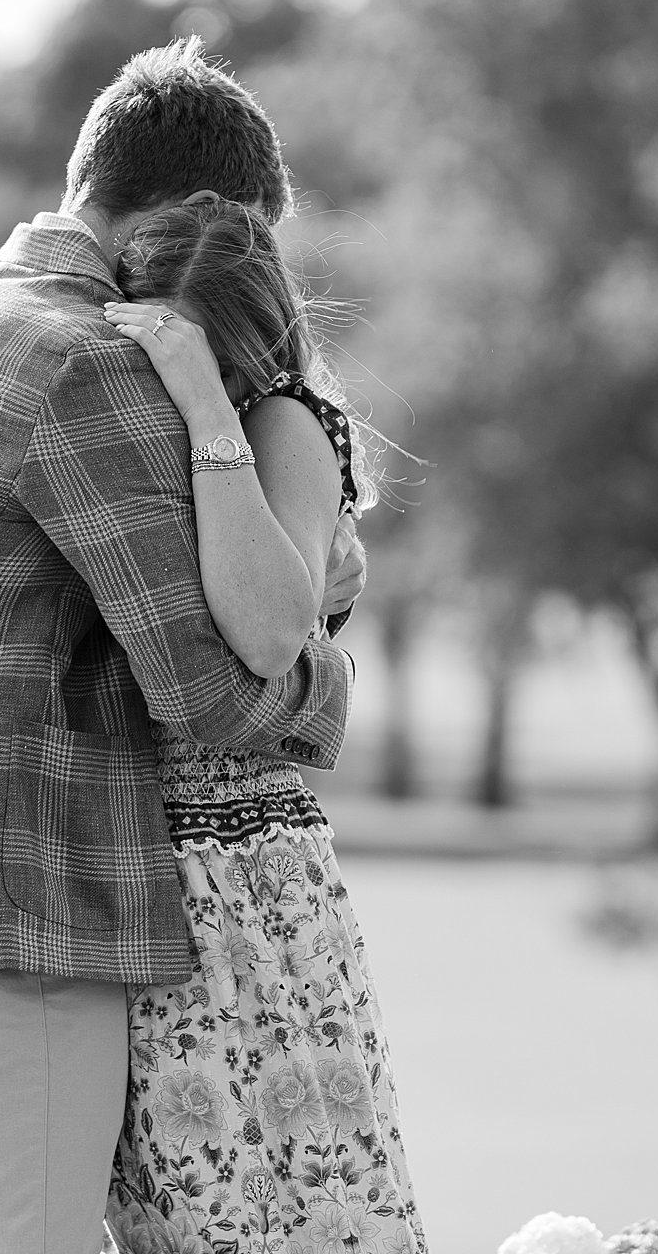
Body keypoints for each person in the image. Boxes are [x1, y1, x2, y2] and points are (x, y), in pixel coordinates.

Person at [0, 37, 366, 1254]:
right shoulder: (85, 358)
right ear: (204, 212)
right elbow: (215, 686)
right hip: (15, 915)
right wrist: (330, 676)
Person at [100, 199, 428, 1254]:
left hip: (243, 884)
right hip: (159, 879)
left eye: (188, 349)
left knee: (294, 1206)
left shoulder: (281, 422)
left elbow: (272, 632)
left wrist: (204, 405)